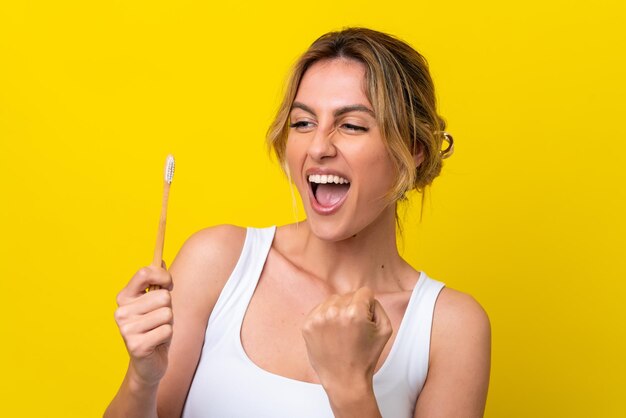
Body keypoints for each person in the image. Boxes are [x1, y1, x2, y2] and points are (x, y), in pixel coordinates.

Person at [104, 27, 491, 418]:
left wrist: (350, 390)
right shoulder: (217, 263)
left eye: (352, 125)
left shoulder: (449, 328)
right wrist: (142, 379)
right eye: (303, 123)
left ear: (413, 150)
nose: (319, 147)